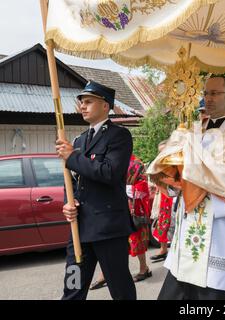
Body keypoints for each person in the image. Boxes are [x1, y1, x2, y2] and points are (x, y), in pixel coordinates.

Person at [149, 76, 225, 300]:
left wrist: (192, 165)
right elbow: (177, 181)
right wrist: (172, 168)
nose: (208, 99)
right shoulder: (191, 132)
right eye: (206, 93)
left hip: (223, 238)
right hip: (188, 237)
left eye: (214, 93)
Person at [56, 80, 136, 300]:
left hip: (108, 228)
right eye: (81, 101)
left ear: (105, 105)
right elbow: (70, 180)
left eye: (89, 101)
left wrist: (72, 157)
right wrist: (68, 202)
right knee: (72, 285)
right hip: (79, 229)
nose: (82, 105)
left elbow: (109, 173)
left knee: (120, 288)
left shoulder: (119, 136)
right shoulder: (78, 140)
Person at [90, 154, 154, 289]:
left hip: (132, 206)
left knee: (136, 238)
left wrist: (128, 190)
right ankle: (104, 274)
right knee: (110, 242)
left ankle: (144, 268)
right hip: (110, 205)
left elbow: (143, 184)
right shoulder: (105, 159)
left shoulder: (137, 163)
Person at [150, 141, 173, 262]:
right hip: (164, 196)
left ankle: (170, 249)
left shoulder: (174, 162)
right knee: (163, 220)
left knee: (172, 222)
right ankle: (163, 249)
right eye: (160, 151)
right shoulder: (159, 163)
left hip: (172, 195)